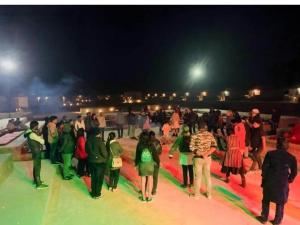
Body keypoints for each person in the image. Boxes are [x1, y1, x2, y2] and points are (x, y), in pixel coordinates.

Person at [257, 133, 297, 225]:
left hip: (270, 181)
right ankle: (277, 221)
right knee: (280, 203)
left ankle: (264, 217)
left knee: (266, 199)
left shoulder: (270, 154)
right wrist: (289, 180)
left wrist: (264, 177)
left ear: (277, 144)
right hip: (282, 183)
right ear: (287, 146)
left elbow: (265, 168)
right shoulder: (291, 158)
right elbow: (294, 172)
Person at [190, 121, 217, 199]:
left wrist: (201, 154)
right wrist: (207, 153)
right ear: (206, 127)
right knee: (207, 177)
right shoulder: (210, 135)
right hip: (208, 158)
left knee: (198, 177)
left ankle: (197, 195)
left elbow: (192, 148)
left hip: (198, 159)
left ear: (198, 127)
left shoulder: (195, 135)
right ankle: (209, 195)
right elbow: (214, 146)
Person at [24, 121, 48, 189]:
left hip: (34, 151)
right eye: (37, 126)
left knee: (35, 166)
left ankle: (36, 180)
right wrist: (40, 136)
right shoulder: (32, 134)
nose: (38, 127)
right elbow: (42, 141)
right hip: (37, 152)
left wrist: (36, 132)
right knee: (37, 167)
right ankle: (38, 184)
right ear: (35, 126)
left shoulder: (29, 132)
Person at [86, 127, 108, 199]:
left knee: (93, 177)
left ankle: (93, 192)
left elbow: (86, 150)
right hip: (100, 163)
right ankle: (97, 193)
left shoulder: (88, 140)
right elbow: (104, 153)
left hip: (91, 161)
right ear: (98, 133)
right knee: (99, 178)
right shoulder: (100, 141)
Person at [135, 131, 156, 202]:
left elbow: (137, 156)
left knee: (143, 181)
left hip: (142, 164)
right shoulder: (151, 144)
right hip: (150, 164)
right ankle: (149, 196)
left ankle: (143, 197)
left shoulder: (139, 145)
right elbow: (155, 155)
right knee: (150, 179)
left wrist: (136, 164)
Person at [149, 131, 162, 195]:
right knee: (155, 177)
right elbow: (160, 151)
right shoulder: (157, 142)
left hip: (148, 161)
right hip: (156, 161)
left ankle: (145, 189)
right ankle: (154, 190)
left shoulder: (147, 142)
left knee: (146, 176)